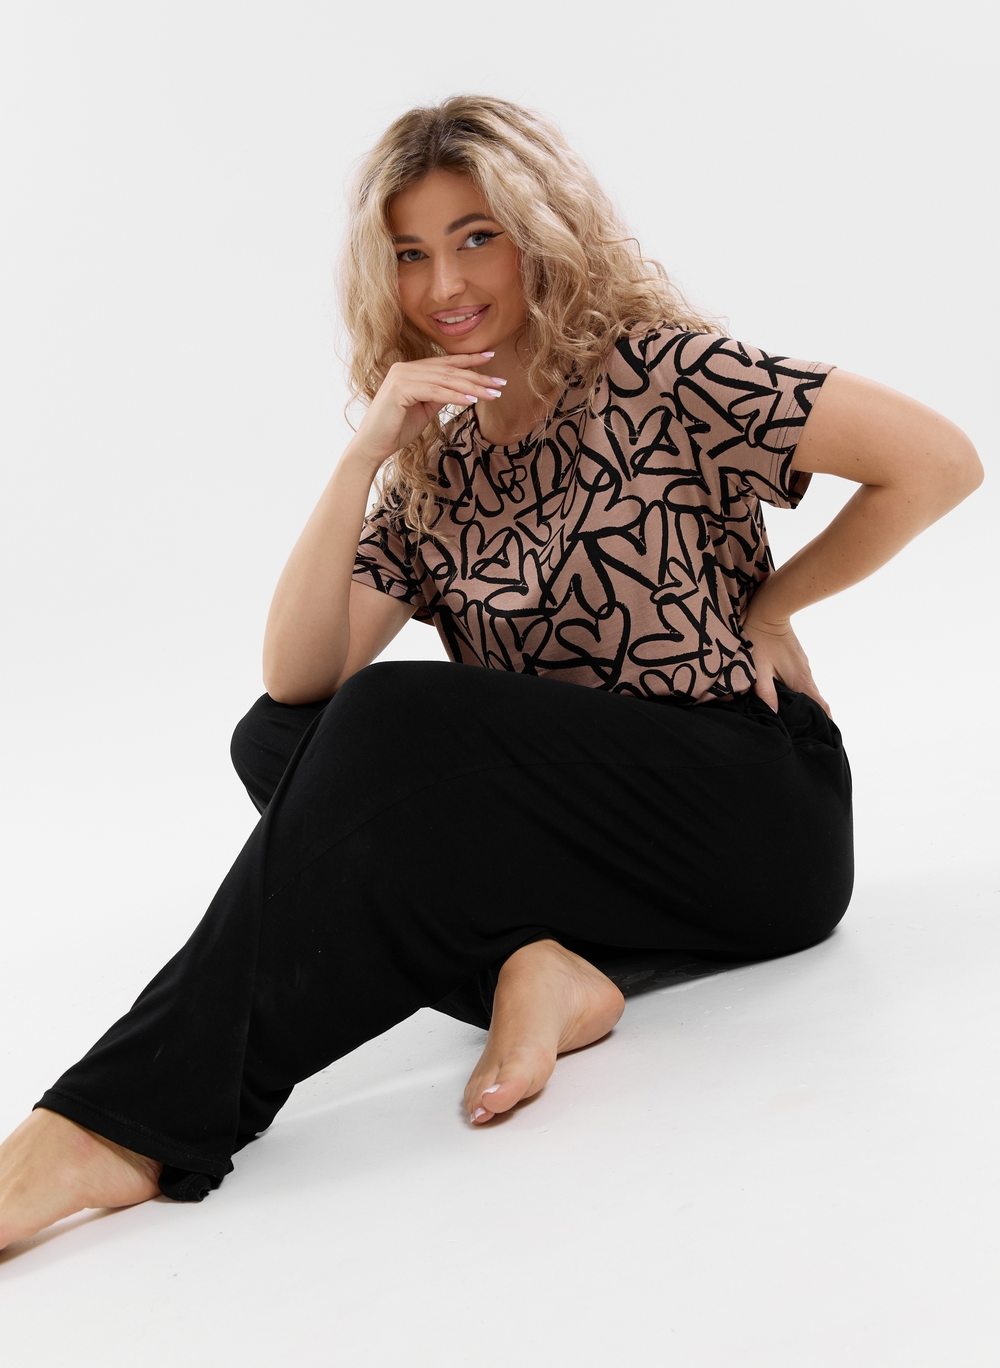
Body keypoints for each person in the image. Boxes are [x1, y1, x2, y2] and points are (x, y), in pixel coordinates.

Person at [0, 96, 982, 1250]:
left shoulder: (662, 372)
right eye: (411, 253)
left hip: (751, 814)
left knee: (388, 720)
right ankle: (539, 968)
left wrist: (772, 607)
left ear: (541, 233)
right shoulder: (439, 463)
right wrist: (366, 452)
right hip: (594, 844)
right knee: (277, 737)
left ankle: (117, 1125)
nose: (445, 283)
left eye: (477, 237)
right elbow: (296, 672)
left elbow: (936, 462)